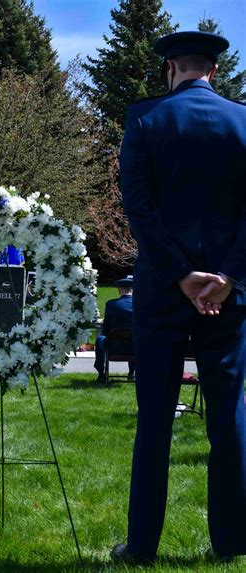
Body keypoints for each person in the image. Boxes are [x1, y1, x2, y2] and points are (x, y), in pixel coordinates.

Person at [112, 31, 246, 564]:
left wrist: (182, 274)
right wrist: (228, 276)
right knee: (229, 417)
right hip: (227, 294)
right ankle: (234, 541)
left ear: (171, 69)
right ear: (212, 70)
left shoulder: (144, 119)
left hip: (165, 292)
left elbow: (137, 206)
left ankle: (141, 544)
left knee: (155, 417)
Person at [94, 275, 134, 382]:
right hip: (136, 349)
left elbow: (106, 327)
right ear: (133, 290)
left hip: (115, 347)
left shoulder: (112, 305)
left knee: (99, 340)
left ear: (120, 290)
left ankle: (101, 372)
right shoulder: (141, 305)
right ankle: (132, 372)